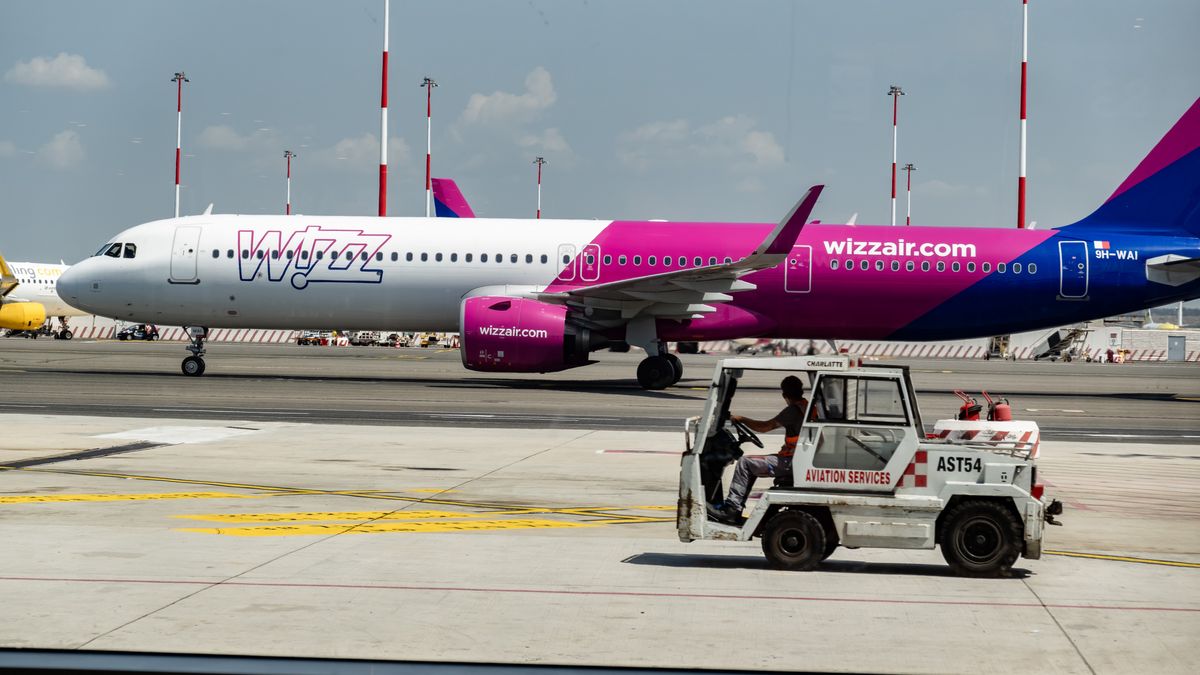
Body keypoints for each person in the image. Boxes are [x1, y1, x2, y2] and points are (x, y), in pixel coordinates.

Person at [707, 375, 809, 525]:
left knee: (745, 463)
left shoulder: (793, 411)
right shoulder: (807, 406)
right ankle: (736, 507)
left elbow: (765, 427)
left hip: (790, 462)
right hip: (800, 460)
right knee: (753, 464)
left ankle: (732, 509)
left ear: (784, 395)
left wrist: (742, 419)